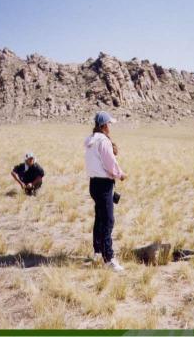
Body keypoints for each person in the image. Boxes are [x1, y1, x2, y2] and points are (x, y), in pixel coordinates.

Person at [84, 111, 127, 272]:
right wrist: (120, 174)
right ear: (104, 125)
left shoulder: (90, 140)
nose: (110, 127)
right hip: (104, 185)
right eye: (109, 124)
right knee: (108, 220)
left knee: (100, 218)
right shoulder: (103, 141)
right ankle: (108, 258)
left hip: (93, 184)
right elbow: (110, 163)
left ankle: (98, 250)